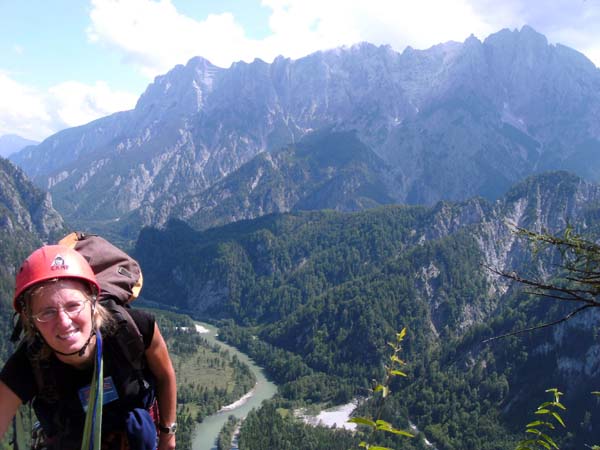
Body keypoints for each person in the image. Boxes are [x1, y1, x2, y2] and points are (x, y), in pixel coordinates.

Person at [0, 245, 177, 450]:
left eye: (73, 305)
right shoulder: (27, 364)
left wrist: (167, 436)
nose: (64, 322)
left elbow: (165, 375)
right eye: (47, 312)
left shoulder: (132, 329)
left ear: (93, 302)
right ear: (31, 321)